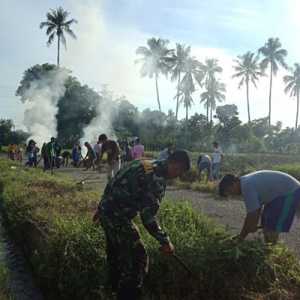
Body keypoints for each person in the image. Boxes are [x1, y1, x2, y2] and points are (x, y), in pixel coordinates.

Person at [93, 150, 191, 300]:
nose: (177, 176)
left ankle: (111, 291)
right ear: (176, 165)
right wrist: (165, 241)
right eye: (178, 172)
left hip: (107, 212)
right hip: (118, 217)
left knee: (116, 255)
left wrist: (101, 207)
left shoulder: (143, 162)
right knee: (138, 260)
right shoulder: (156, 179)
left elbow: (114, 180)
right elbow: (148, 217)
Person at [219, 170, 300, 244]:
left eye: (230, 191)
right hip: (278, 195)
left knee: (270, 228)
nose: (232, 195)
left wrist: (241, 237)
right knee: (266, 223)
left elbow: (252, 215)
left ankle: (272, 253)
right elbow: (256, 211)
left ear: (234, 183)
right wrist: (252, 225)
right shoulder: (245, 182)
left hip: (289, 192)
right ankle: (270, 249)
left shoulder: (246, 186)